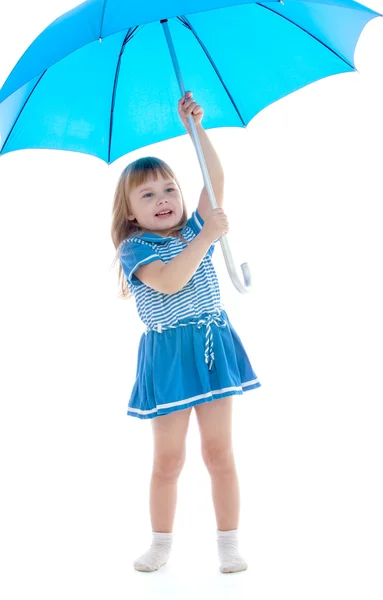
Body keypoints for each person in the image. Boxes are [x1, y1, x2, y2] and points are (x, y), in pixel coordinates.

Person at [111, 91, 261, 574]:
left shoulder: (191, 229)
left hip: (213, 345)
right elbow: (172, 281)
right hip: (170, 355)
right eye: (148, 194)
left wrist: (196, 127)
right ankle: (160, 542)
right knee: (169, 460)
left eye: (170, 189)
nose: (164, 200)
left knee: (220, 452)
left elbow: (214, 181)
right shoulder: (137, 248)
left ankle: (229, 543)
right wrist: (206, 237)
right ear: (131, 211)